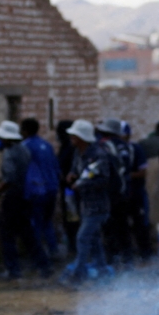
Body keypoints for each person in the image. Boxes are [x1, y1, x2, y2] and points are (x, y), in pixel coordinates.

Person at [0, 121, 51, 280]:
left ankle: (13, 269)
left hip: (13, 197)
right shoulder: (24, 149)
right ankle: (43, 264)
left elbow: (9, 178)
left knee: (7, 234)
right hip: (25, 196)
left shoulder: (10, 153)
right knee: (27, 233)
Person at [62, 120, 114, 284]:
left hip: (98, 205)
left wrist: (82, 184)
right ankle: (102, 269)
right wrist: (72, 175)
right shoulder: (79, 153)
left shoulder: (99, 154)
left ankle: (79, 272)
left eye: (74, 135)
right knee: (94, 239)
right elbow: (77, 169)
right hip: (85, 204)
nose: (71, 137)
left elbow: (104, 179)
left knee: (82, 238)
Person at [20, 118, 62, 258]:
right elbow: (56, 167)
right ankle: (53, 250)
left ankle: (38, 256)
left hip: (38, 190)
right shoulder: (47, 145)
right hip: (52, 188)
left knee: (36, 223)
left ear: (24, 131)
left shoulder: (25, 146)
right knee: (47, 222)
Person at [96, 118, 133, 265]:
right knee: (123, 227)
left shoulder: (104, 145)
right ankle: (128, 259)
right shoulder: (127, 146)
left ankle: (112, 260)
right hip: (125, 191)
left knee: (109, 228)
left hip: (109, 193)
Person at [121, 121, 153, 260]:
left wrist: (125, 176)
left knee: (140, 223)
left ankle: (146, 253)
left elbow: (143, 172)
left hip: (136, 192)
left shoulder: (135, 148)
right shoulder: (113, 148)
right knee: (123, 225)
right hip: (122, 194)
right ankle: (127, 254)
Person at [56, 120, 81, 256]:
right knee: (71, 218)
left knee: (73, 219)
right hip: (68, 190)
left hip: (71, 190)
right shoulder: (66, 147)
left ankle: (75, 247)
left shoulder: (71, 149)